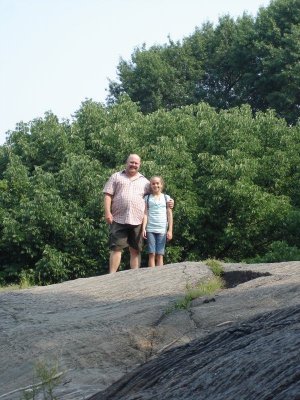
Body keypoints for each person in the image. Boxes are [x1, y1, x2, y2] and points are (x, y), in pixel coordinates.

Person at [103, 154, 173, 273]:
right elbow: (107, 194)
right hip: (118, 218)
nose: (133, 165)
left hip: (137, 219)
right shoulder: (116, 176)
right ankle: (111, 276)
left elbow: (156, 195)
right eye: (131, 162)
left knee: (135, 249)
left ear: (139, 165)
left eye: (136, 163)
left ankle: (135, 277)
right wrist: (107, 212)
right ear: (126, 162)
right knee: (116, 248)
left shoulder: (145, 182)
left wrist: (169, 201)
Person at [142, 176, 173, 267]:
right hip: (150, 229)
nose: (155, 185)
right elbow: (145, 214)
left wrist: (170, 230)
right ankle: (152, 277)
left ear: (161, 185)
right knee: (151, 254)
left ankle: (160, 276)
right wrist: (143, 228)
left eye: (157, 183)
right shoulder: (147, 198)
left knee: (160, 254)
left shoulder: (166, 198)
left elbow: (169, 214)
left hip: (162, 229)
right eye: (153, 183)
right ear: (150, 185)